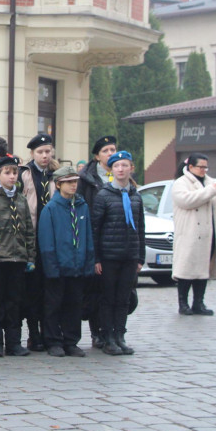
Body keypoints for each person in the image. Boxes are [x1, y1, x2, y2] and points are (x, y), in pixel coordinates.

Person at [0, 154, 36, 358]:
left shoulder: (20, 199)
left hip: (18, 259)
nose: (12, 177)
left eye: (15, 172)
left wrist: (31, 258)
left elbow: (28, 230)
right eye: (7, 173)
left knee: (15, 302)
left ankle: (14, 342)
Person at [38, 165, 96, 358]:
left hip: (77, 267)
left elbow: (87, 237)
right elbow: (46, 242)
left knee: (74, 305)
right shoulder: (51, 209)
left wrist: (88, 263)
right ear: (58, 184)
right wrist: (52, 268)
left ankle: (71, 341)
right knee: (54, 305)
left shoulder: (82, 206)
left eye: (75, 182)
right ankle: (53, 340)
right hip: (59, 268)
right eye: (69, 182)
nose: (73, 186)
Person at [91, 150, 144, 357]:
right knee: (108, 297)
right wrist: (96, 258)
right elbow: (96, 228)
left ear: (131, 168)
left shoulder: (135, 196)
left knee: (124, 298)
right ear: (111, 170)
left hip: (129, 255)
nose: (121, 169)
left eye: (124, 165)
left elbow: (140, 227)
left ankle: (120, 334)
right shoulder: (104, 195)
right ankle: (108, 337)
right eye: (117, 166)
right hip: (109, 256)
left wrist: (140, 256)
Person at [172, 153, 216, 316]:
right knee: (186, 269)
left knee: (203, 269)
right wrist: (210, 191)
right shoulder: (180, 183)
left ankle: (199, 302)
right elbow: (188, 201)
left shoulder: (211, 182)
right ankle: (182, 303)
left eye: (206, 167)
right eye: (200, 167)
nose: (204, 170)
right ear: (190, 167)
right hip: (189, 233)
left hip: (209, 233)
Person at [19, 133, 58, 352]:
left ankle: (50, 332)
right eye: (40, 152)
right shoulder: (25, 174)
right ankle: (34, 334)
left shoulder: (56, 174)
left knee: (50, 288)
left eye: (47, 151)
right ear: (32, 154)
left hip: (51, 238)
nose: (45, 156)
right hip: (31, 237)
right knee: (32, 290)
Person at [77, 134, 117, 348]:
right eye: (106, 151)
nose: (110, 154)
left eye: (112, 149)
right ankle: (96, 332)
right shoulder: (87, 179)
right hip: (95, 237)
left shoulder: (122, 175)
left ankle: (113, 330)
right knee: (96, 288)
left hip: (116, 240)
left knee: (114, 289)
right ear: (97, 156)